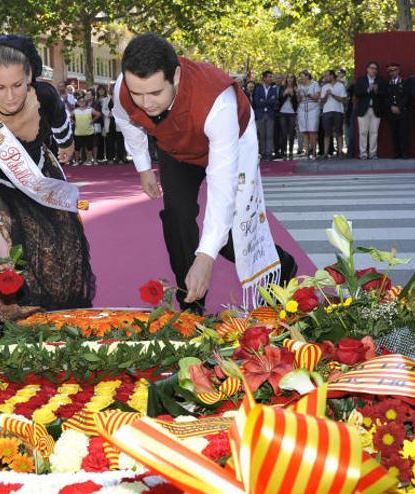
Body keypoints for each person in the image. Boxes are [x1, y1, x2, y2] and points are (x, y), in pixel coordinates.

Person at [113, 33, 292, 312]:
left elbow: (222, 187)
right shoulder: (123, 90)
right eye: (138, 93)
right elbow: (125, 120)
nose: (146, 103)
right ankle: (191, 307)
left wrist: (206, 256)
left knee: (230, 231)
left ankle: (282, 265)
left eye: (156, 93)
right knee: (177, 216)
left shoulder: (218, 102)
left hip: (232, 144)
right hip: (177, 148)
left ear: (176, 76)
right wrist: (144, 168)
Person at [0, 34, 94, 330]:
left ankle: (52, 322)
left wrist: (66, 144)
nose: (10, 96)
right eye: (0, 87)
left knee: (60, 244)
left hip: (37, 175)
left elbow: (61, 125)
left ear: (29, 77)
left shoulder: (46, 96)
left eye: (18, 85)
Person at [354, 62, 385, 160]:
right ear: (367, 69)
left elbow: (384, 94)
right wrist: (367, 90)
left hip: (375, 109)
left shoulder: (380, 80)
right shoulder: (361, 80)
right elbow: (356, 93)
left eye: (375, 68)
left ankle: (373, 153)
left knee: (374, 132)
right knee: (363, 132)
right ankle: (363, 154)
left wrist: (376, 91)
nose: (373, 70)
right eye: (371, 68)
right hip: (363, 109)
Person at [384, 63, 410, 159]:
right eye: (390, 71)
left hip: (402, 111)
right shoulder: (387, 84)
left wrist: (399, 107)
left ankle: (404, 153)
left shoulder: (404, 82)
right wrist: (391, 106)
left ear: (398, 71)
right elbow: (385, 98)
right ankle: (396, 153)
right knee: (394, 133)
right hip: (392, 112)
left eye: (394, 70)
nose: (392, 73)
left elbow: (406, 96)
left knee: (403, 133)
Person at [320, 69, 347, 159]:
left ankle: (340, 152)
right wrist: (326, 95)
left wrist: (333, 95)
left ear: (332, 76)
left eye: (326, 76)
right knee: (327, 133)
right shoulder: (324, 87)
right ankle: (325, 153)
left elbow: (343, 100)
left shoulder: (340, 86)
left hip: (338, 111)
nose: (325, 78)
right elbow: (322, 102)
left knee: (339, 132)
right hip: (326, 112)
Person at [252, 70, 279, 160]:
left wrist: (264, 101)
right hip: (260, 115)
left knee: (270, 135)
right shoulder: (258, 88)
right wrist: (268, 102)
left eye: (271, 77)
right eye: (269, 76)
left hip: (270, 115)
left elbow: (274, 101)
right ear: (264, 78)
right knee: (261, 135)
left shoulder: (273, 89)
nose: (271, 78)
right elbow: (257, 102)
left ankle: (269, 153)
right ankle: (262, 153)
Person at [296, 70, 321, 160]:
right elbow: (298, 100)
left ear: (307, 76)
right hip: (302, 109)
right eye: (300, 77)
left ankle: (314, 153)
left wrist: (308, 94)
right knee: (305, 131)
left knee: (312, 131)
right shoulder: (300, 86)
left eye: (302, 76)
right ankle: (306, 153)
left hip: (313, 109)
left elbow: (316, 97)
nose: (301, 78)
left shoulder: (315, 84)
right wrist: (299, 94)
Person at [72, 96, 100, 165]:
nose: (82, 103)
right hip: (78, 132)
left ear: (86, 102)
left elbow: (98, 114)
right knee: (77, 148)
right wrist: (74, 122)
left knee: (89, 147)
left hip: (89, 131)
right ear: (78, 103)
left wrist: (92, 121)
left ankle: (89, 160)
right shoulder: (75, 110)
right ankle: (77, 161)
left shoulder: (90, 109)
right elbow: (69, 116)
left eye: (83, 101)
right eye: (80, 101)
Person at [278, 74, 298, 159]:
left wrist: (293, 94)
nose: (290, 79)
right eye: (288, 78)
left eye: (292, 78)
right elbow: (279, 98)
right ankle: (284, 151)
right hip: (282, 112)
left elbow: (297, 101)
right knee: (283, 133)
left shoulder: (296, 87)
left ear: (294, 79)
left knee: (291, 133)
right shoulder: (282, 87)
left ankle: (290, 151)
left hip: (292, 112)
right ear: (286, 79)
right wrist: (284, 94)